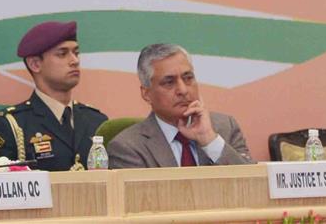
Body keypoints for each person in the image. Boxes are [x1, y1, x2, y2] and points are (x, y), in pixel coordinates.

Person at [0, 20, 107, 170]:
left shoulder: (97, 121)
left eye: (76, 53)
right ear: (35, 64)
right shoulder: (9, 125)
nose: (74, 61)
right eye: (62, 54)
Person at [106, 43, 253, 168]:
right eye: (169, 82)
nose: (183, 90)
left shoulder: (225, 128)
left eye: (188, 78)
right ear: (146, 94)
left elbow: (253, 184)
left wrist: (209, 140)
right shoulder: (128, 147)